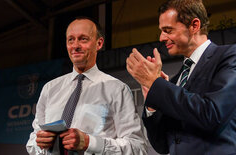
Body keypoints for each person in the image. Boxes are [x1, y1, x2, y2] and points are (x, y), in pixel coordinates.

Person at [126, 0, 236, 154]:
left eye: (168, 30)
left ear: (194, 26)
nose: (161, 38)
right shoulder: (174, 82)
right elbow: (162, 146)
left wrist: (156, 85)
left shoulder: (233, 56)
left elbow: (212, 115)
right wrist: (152, 102)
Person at [26, 17, 147, 155]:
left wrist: (90, 143)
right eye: (70, 39)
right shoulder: (50, 89)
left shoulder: (117, 89)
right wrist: (39, 144)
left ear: (99, 43)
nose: (75, 45)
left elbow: (137, 148)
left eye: (83, 39)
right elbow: (32, 143)